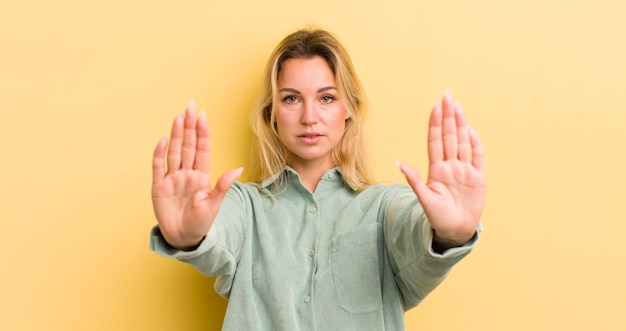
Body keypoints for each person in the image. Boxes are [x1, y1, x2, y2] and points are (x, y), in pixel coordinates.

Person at [150, 27, 486, 330]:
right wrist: (189, 238)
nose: (309, 117)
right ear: (272, 114)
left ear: (349, 108)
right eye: (291, 98)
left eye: (326, 98)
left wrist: (450, 236)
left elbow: (417, 241)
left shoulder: (384, 208)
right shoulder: (244, 206)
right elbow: (218, 238)